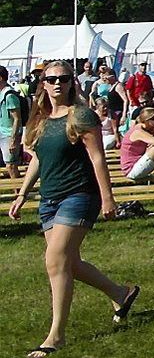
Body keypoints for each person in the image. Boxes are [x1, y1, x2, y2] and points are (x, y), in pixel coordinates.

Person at [8, 61, 140, 358]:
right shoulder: (41, 118)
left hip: (79, 195)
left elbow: (97, 158)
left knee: (55, 260)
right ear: (43, 83)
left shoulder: (81, 115)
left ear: (71, 83)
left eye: (64, 79)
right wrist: (22, 195)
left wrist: (108, 197)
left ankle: (56, 336)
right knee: (68, 262)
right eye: (52, 79)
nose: (57, 84)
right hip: (49, 200)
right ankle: (121, 293)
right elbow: (39, 160)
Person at [119, 107, 154, 181]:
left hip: (138, 164)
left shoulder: (148, 129)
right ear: (148, 120)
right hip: (131, 171)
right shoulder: (138, 132)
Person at [0, 65, 23, 179]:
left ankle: (18, 193)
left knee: (11, 165)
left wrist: (13, 139)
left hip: (9, 134)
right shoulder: (2, 93)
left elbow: (17, 118)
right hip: (2, 132)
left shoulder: (9, 95)